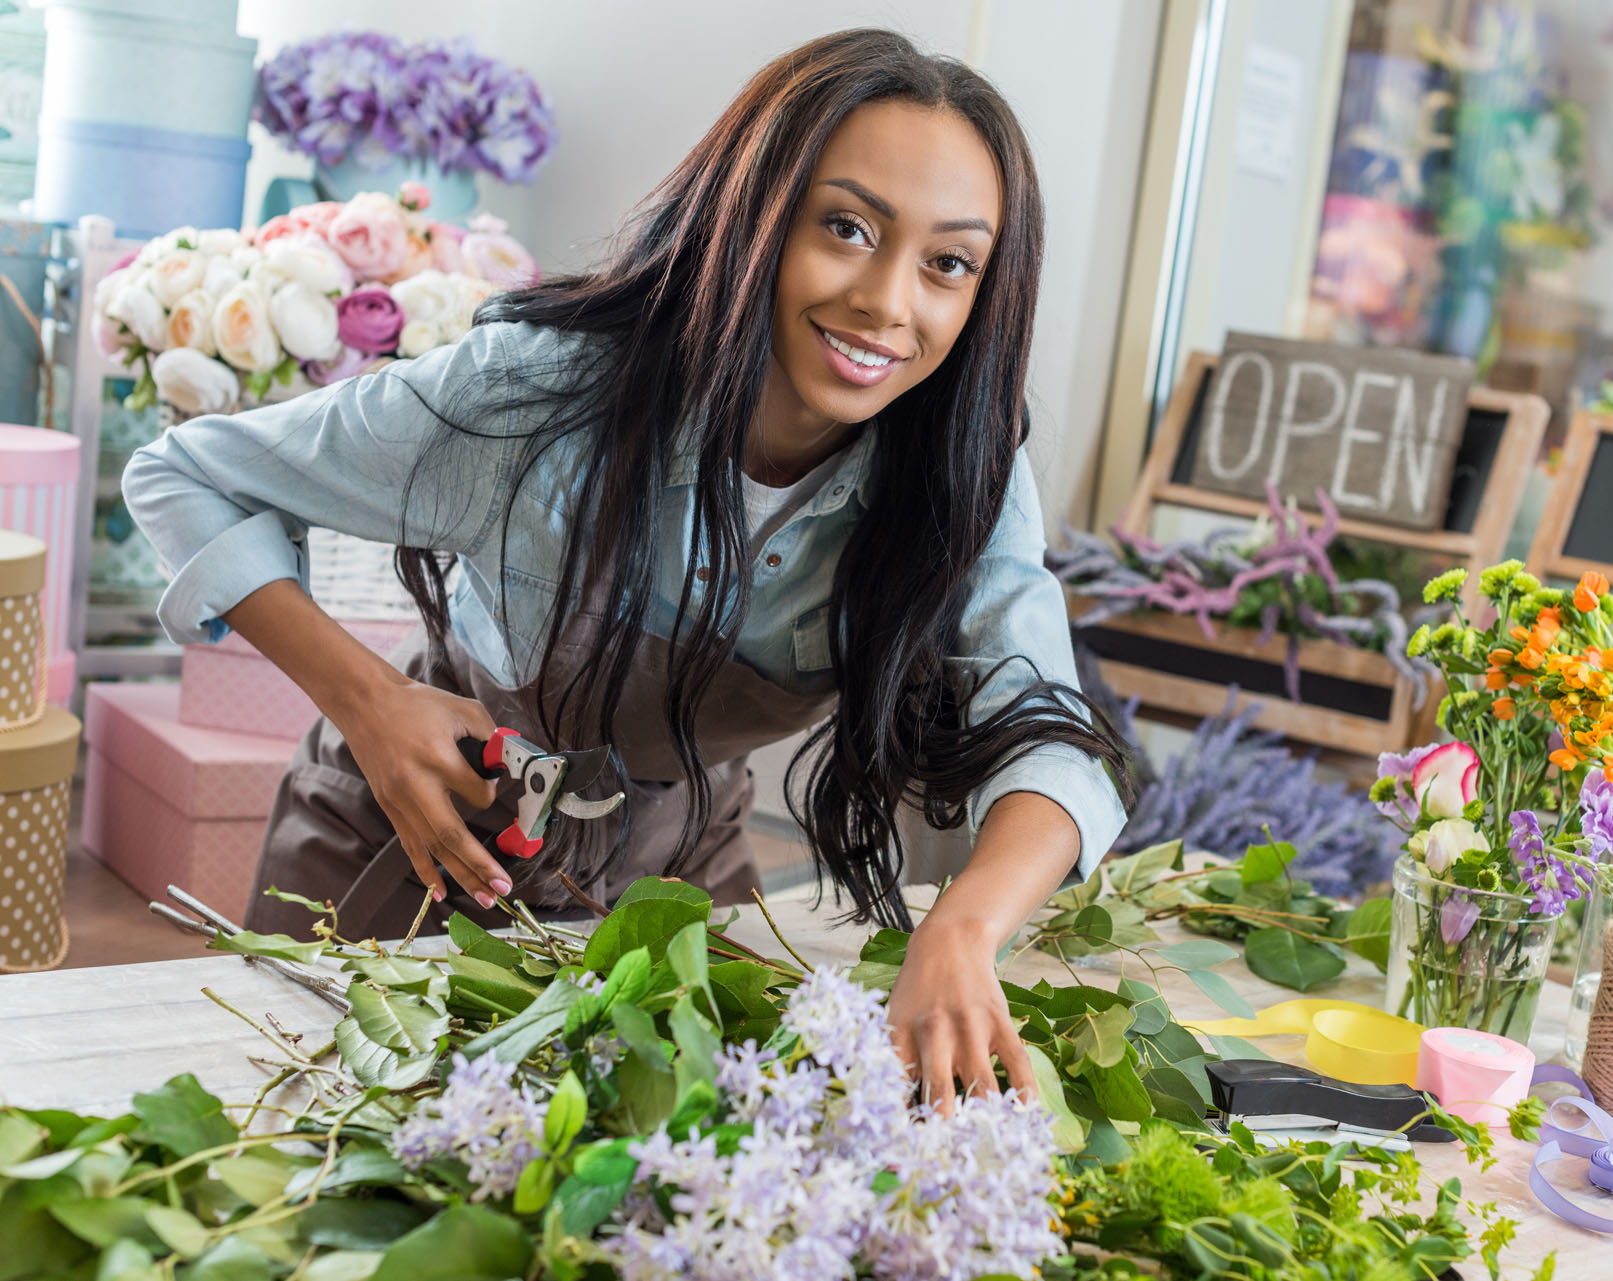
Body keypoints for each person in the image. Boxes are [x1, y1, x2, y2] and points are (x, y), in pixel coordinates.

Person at [123, 28, 1130, 1107]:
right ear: (756, 217)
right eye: (847, 228)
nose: (891, 302)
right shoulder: (542, 392)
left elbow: (1047, 731)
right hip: (414, 847)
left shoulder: (957, 470)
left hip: (678, 883)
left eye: (948, 264)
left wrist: (963, 928)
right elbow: (182, 476)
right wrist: (370, 704)